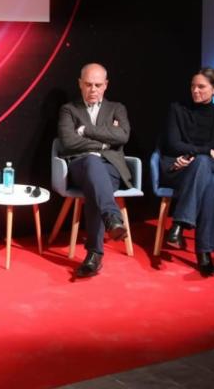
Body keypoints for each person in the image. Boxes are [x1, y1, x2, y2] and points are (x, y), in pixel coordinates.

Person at [57, 63, 133, 278]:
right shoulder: (68, 110)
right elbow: (69, 142)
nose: (93, 90)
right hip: (80, 166)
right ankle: (112, 218)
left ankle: (94, 254)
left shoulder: (117, 108)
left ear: (106, 85)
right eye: (88, 84)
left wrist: (86, 130)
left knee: (96, 186)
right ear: (80, 84)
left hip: (112, 168)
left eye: (98, 85)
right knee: (91, 163)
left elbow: (123, 136)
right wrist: (103, 143)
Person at [159, 67, 214, 277]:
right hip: (179, 169)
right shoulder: (177, 109)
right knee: (210, 183)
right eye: (193, 86)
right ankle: (204, 253)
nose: (195, 91)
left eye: (201, 87)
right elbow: (173, 144)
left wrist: (201, 155)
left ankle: (180, 223)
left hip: (206, 168)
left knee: (203, 166)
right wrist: (205, 151)